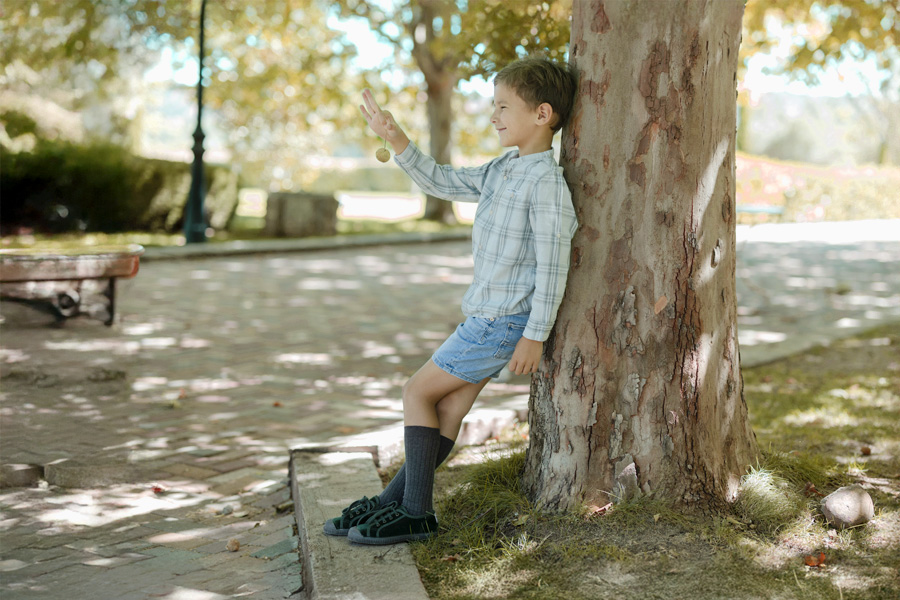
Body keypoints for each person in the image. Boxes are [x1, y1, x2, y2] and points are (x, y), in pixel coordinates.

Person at [324, 56, 578, 546]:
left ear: (542, 114)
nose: (493, 116)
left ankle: (415, 512)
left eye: (504, 106)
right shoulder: (505, 168)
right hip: (489, 318)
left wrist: (534, 334)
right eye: (493, 106)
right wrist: (396, 138)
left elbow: (553, 266)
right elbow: (443, 181)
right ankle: (389, 505)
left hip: (500, 324)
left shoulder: (546, 185)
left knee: (416, 393)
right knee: (446, 411)